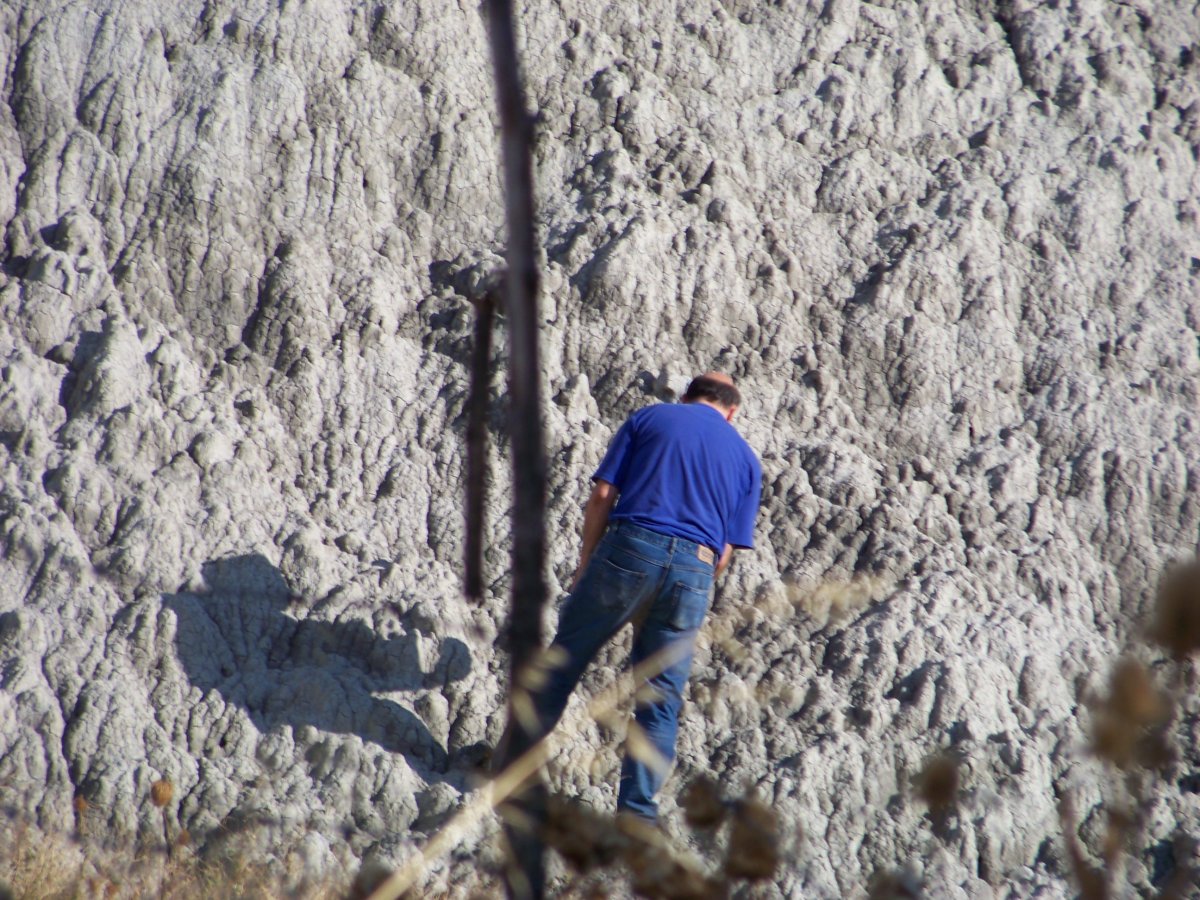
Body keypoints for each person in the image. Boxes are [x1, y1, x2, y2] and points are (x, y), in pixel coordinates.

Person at [527, 372, 761, 823]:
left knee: (564, 662)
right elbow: (727, 550)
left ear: (687, 397)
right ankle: (636, 819)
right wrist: (691, 577)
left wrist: (586, 563)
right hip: (695, 569)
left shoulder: (651, 418)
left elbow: (602, 494)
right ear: (732, 412)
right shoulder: (747, 460)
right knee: (660, 699)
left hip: (631, 547)